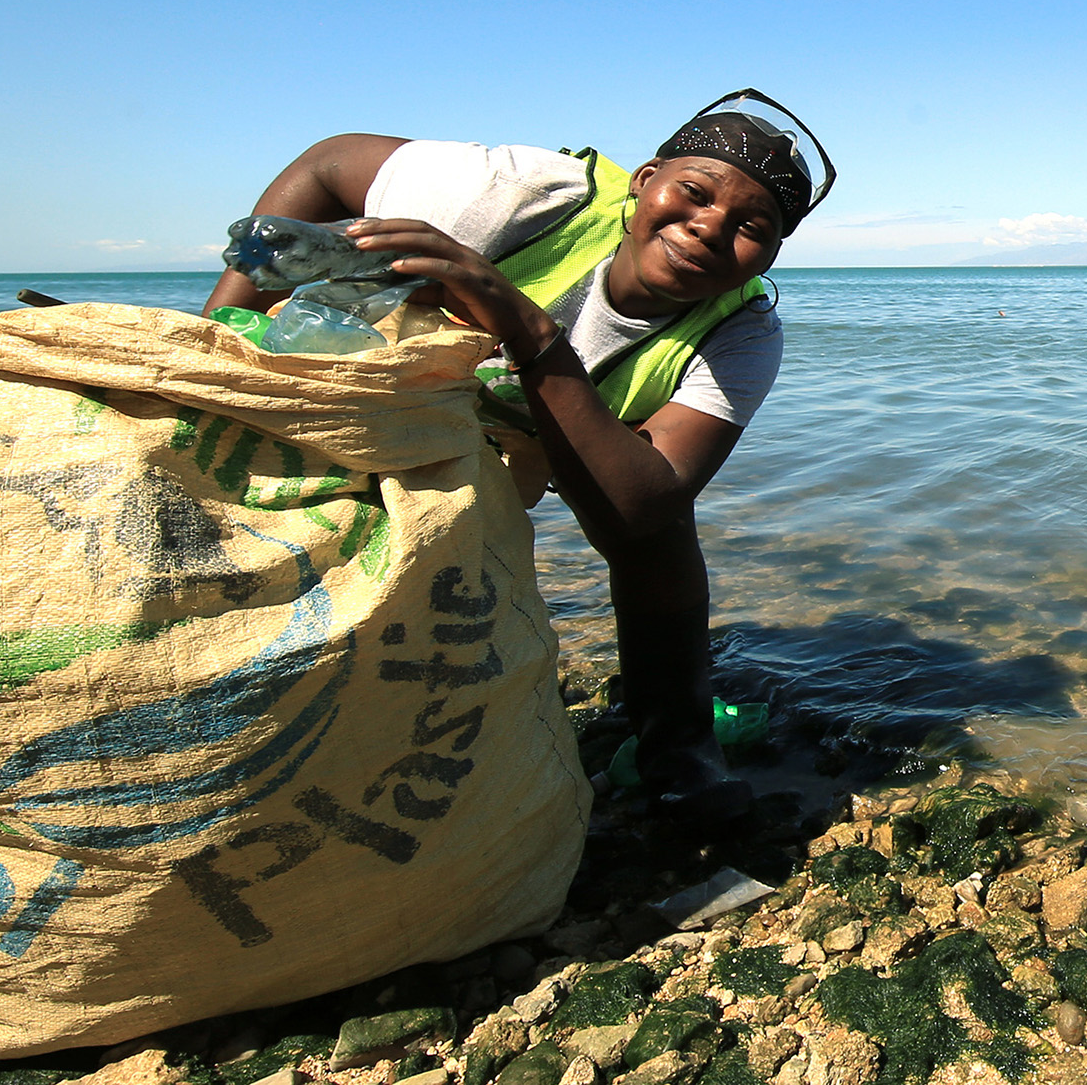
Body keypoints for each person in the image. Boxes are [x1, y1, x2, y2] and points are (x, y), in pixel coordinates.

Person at [204, 90, 835, 825]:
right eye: (692, 192)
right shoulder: (529, 196)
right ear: (645, 180)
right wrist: (221, 329)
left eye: (752, 228)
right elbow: (330, 164)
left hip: (545, 421)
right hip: (405, 376)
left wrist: (524, 322)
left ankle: (676, 742)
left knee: (660, 534)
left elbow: (642, 506)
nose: (708, 227)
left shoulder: (742, 333)